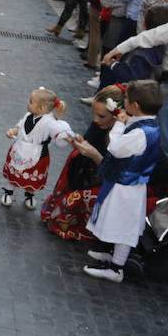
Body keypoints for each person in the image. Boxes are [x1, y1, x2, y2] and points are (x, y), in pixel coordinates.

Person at [72, 80, 163, 283]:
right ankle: (114, 257)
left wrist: (119, 125)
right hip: (128, 184)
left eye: (128, 100)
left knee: (122, 226)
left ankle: (116, 269)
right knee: (119, 223)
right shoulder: (147, 124)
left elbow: (116, 148)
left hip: (126, 186)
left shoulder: (141, 132)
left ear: (135, 106)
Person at [41, 85, 126, 240]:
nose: (95, 119)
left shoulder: (126, 136)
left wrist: (94, 155)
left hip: (112, 182)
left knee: (63, 220)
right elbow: (89, 142)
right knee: (74, 156)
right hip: (89, 172)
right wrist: (78, 143)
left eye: (101, 116)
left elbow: (117, 174)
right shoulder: (99, 124)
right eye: (94, 114)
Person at [1, 88, 74, 209]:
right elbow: (20, 126)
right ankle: (9, 190)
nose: (28, 103)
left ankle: (30, 193)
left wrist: (72, 141)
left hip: (37, 153)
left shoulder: (50, 123)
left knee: (31, 174)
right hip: (19, 148)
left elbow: (61, 133)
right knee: (15, 171)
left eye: (31, 101)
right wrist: (12, 131)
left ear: (42, 108)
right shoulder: (28, 115)